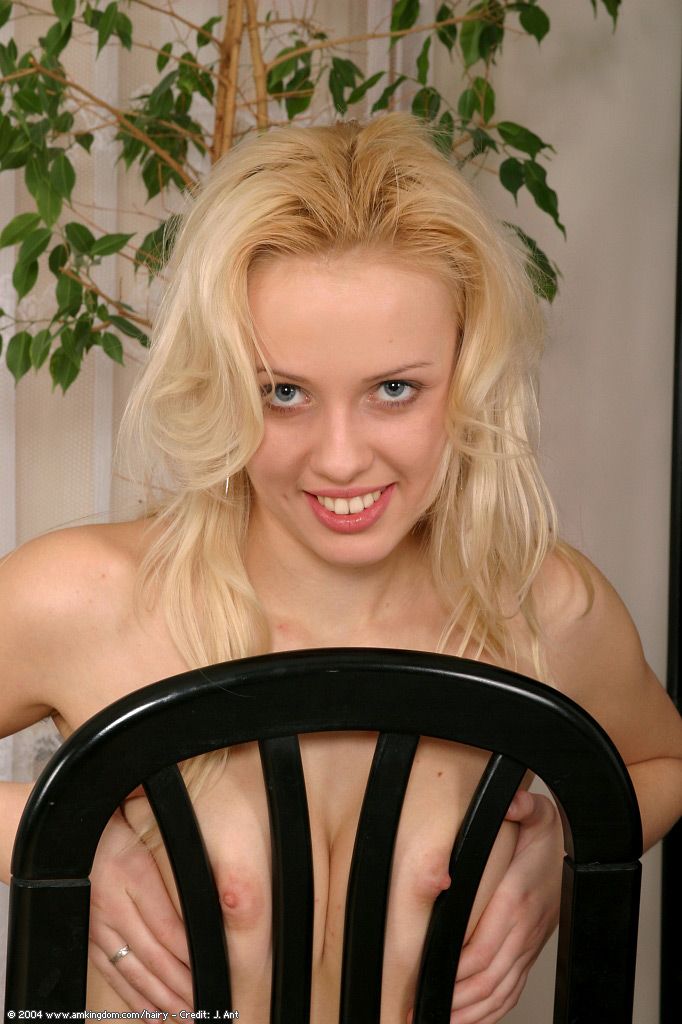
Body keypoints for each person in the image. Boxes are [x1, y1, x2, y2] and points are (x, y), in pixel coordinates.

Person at [1, 112, 681, 1022]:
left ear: (468, 372)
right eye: (283, 392)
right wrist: (47, 834)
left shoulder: (538, 608)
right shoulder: (87, 600)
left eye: (394, 389)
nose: (340, 459)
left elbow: (665, 760)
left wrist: (562, 850)